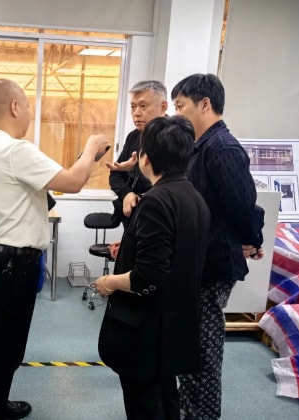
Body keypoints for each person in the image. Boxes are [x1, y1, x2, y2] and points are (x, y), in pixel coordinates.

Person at [0, 78, 109, 420]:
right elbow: (73, 182)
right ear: (15, 107)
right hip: (15, 264)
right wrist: (91, 148)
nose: (29, 114)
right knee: (8, 343)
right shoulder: (15, 150)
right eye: (28, 106)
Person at [93, 116, 210, 420]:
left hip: (146, 328)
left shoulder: (156, 201)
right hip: (174, 322)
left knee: (144, 403)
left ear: (145, 158)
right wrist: (129, 247)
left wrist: (109, 282)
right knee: (165, 396)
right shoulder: (193, 197)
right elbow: (175, 252)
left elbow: (148, 275)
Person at [171, 74, 265, 420]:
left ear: (204, 104)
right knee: (190, 344)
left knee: (204, 351)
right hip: (199, 260)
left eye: (181, 106)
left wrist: (252, 240)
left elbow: (242, 205)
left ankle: (204, 415)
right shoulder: (201, 146)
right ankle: (188, 408)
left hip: (213, 265)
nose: (177, 114)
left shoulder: (222, 148)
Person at [107, 80, 168, 227]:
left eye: (143, 106)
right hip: (132, 218)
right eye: (133, 107)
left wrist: (143, 197)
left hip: (160, 218)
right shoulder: (133, 137)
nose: (136, 113)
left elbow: (176, 183)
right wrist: (126, 193)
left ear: (163, 107)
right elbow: (115, 175)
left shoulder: (176, 138)